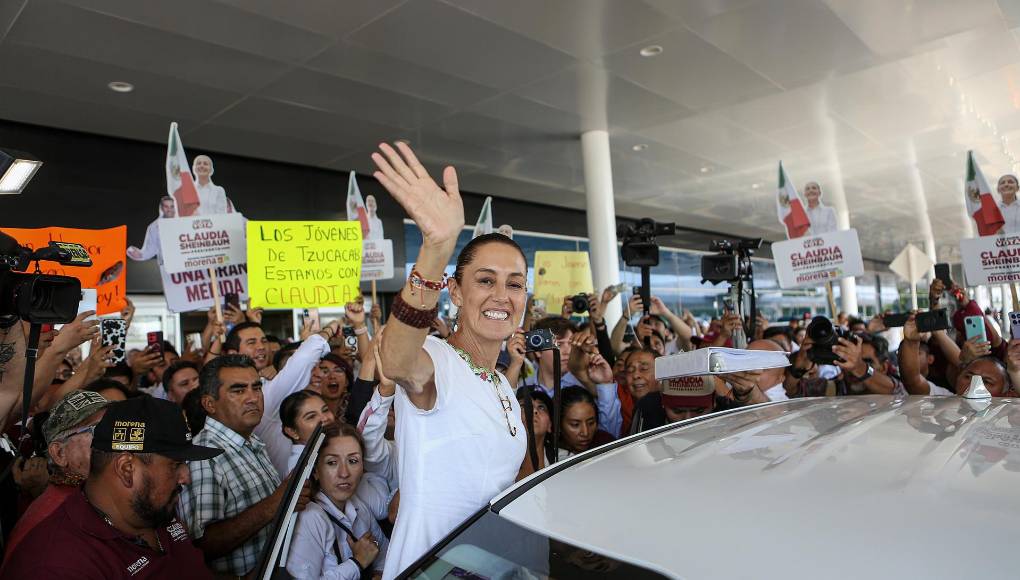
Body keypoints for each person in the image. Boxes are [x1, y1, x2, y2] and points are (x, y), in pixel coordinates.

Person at [370, 141, 526, 578]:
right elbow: (397, 362)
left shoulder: (502, 385)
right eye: (485, 281)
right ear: (455, 292)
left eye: (515, 284)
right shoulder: (437, 360)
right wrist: (437, 248)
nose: (502, 296)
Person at [0, 397, 223, 579]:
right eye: (175, 465)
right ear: (126, 469)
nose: (186, 477)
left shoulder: (152, 505)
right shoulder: (56, 566)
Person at [177, 355, 312, 577]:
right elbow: (202, 545)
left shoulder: (251, 439)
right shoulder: (204, 457)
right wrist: (275, 504)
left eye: (256, 388)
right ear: (209, 404)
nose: (253, 398)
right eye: (238, 390)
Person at [218, 320, 339, 476]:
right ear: (233, 354)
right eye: (251, 342)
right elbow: (304, 359)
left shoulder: (270, 385)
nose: (261, 347)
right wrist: (329, 329)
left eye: (264, 341)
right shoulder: (264, 394)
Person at [4, 390, 110, 557]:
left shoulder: (97, 493)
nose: (115, 437)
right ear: (59, 453)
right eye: (97, 430)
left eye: (114, 425)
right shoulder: (52, 522)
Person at [287, 423, 389, 579]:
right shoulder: (310, 518)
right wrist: (357, 563)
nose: (344, 473)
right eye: (332, 462)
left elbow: (385, 555)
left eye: (353, 461)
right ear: (316, 471)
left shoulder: (357, 506)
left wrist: (378, 574)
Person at [281, 390, 336, 473]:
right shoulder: (302, 467)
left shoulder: (321, 452)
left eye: (325, 410)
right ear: (292, 432)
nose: (325, 418)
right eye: (311, 416)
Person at [556, 387, 614, 460]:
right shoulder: (549, 455)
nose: (585, 433)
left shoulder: (606, 444)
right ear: (558, 425)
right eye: (575, 424)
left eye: (591, 423)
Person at [127, 196, 176, 262]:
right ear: (161, 208)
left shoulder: (184, 222)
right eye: (166, 206)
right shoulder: (154, 227)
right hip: (166, 264)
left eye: (172, 206)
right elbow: (152, 249)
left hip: (186, 262)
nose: (169, 209)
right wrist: (140, 255)